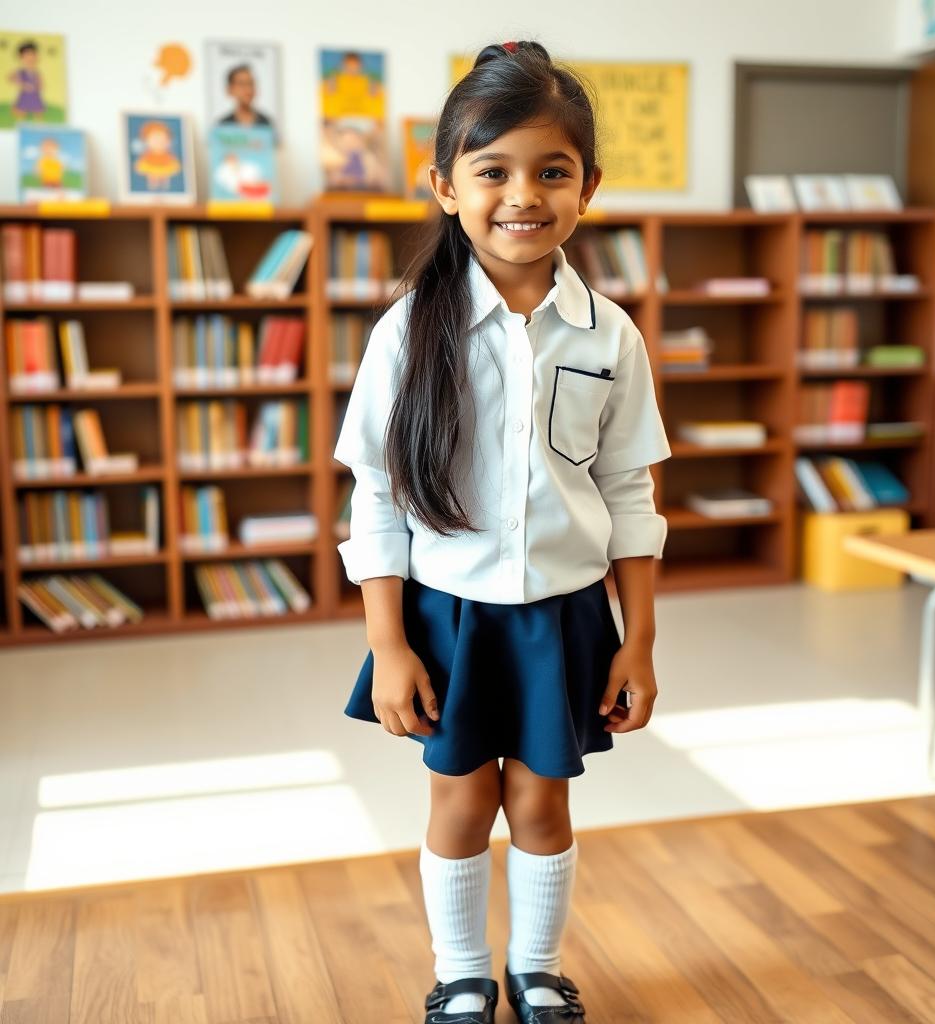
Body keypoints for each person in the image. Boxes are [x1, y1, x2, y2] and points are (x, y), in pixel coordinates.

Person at [333, 39, 671, 1024]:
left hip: (564, 618)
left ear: (587, 187)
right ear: (443, 186)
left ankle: (535, 968)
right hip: (450, 618)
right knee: (461, 802)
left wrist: (638, 640)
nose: (523, 194)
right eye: (493, 170)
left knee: (542, 803)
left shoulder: (611, 333)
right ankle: (461, 974)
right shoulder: (406, 331)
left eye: (551, 171)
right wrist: (388, 644)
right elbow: (377, 498)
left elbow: (630, 496)